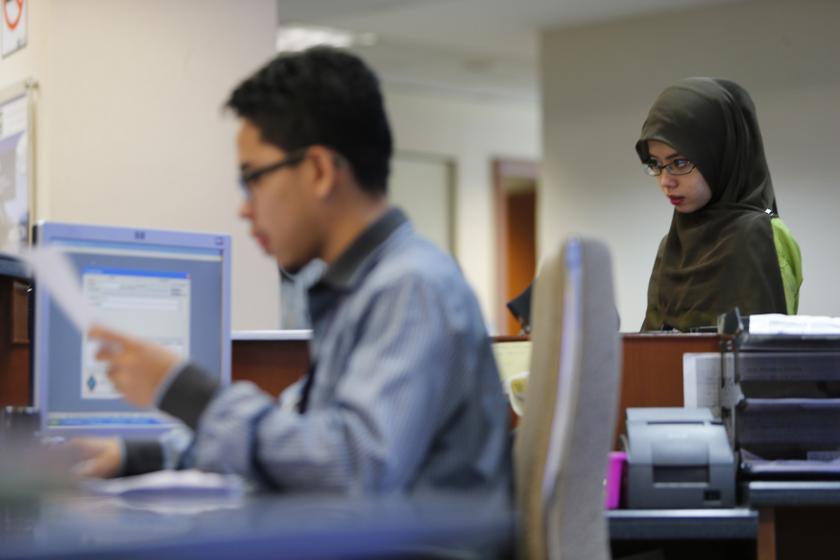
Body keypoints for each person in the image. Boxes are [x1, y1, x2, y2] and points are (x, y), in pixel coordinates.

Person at [74, 46, 511, 498]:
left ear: (319, 171)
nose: (245, 208)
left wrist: (187, 392)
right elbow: (297, 436)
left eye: (253, 179)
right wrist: (140, 456)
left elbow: (352, 467)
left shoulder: (410, 287)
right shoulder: (358, 290)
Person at [636, 77, 802, 332]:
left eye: (679, 163)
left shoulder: (757, 234)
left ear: (721, 154)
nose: (665, 181)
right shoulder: (671, 246)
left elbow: (765, 359)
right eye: (655, 164)